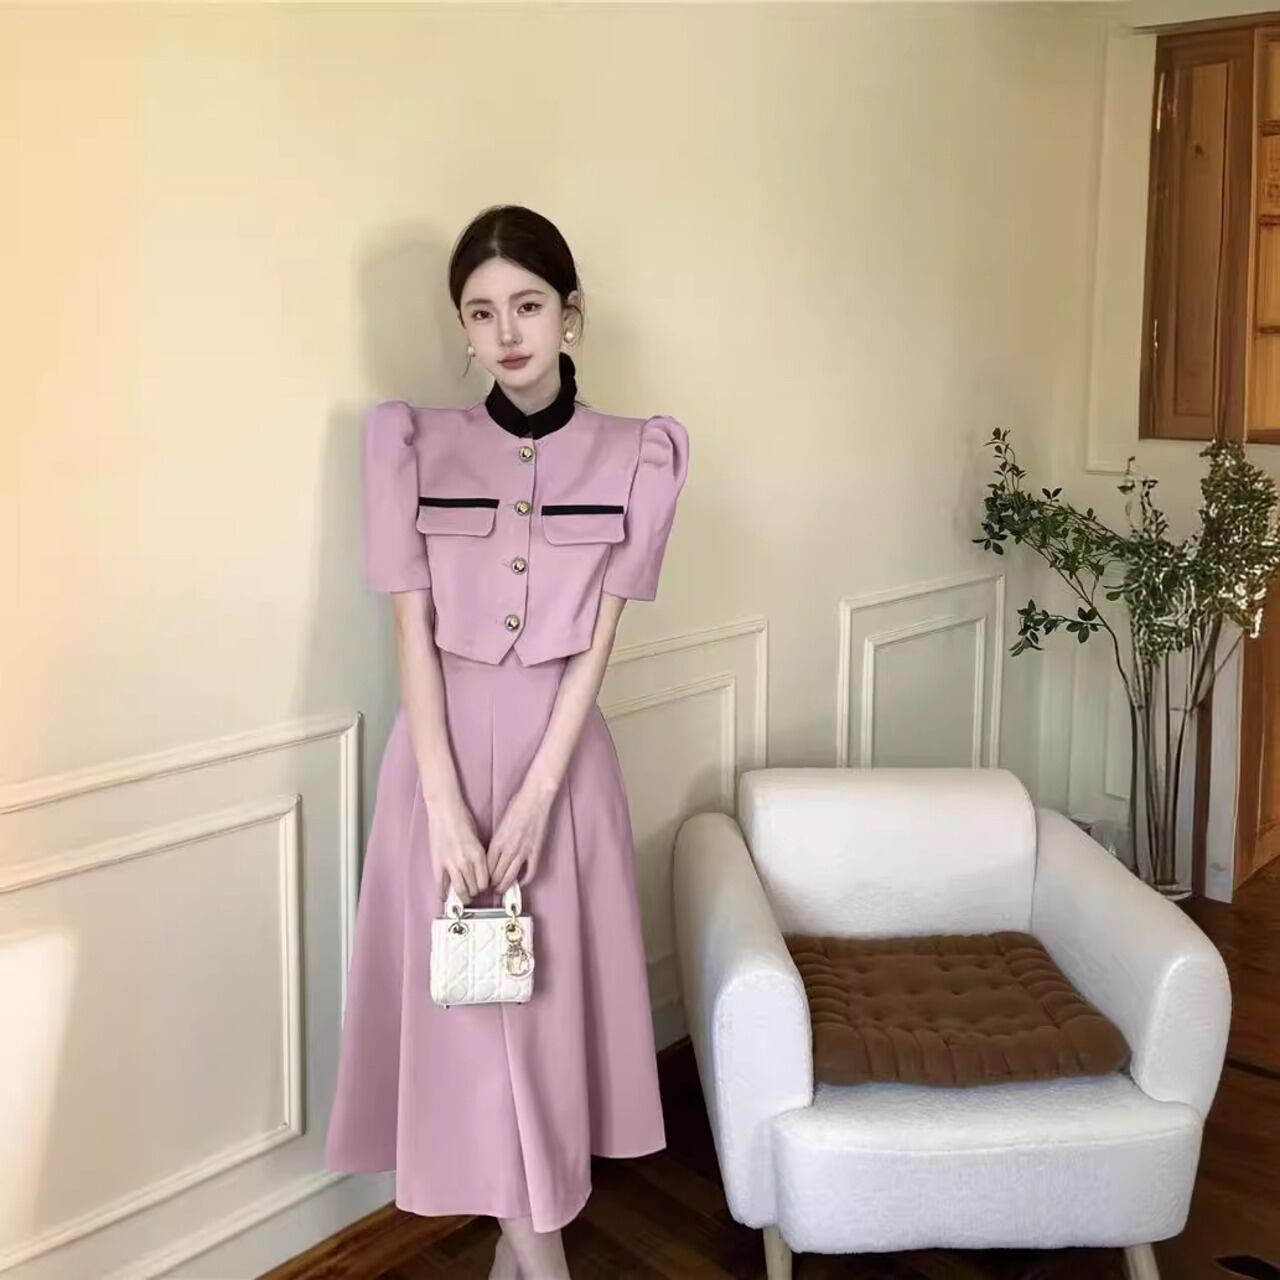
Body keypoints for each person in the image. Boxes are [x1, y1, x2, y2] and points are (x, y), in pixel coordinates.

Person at [324, 204, 691, 1280]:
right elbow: (410, 631)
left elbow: (599, 644)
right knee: (468, 1033)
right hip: (436, 769)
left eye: (526, 305)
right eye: (481, 313)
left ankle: (522, 1259)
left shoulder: (639, 455)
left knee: (531, 1027)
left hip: (561, 771)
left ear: (569, 314)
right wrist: (443, 807)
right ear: (463, 327)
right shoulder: (411, 445)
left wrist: (535, 799)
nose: (506, 332)